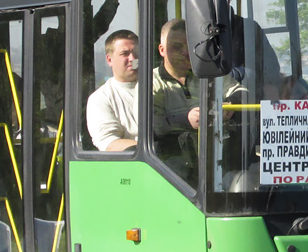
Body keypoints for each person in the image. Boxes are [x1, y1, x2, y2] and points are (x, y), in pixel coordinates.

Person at [152, 19, 242, 177]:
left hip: (218, 160)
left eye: (190, 46)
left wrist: (230, 104)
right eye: (177, 47)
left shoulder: (209, 73)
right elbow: (151, 125)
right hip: (172, 167)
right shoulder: (150, 83)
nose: (185, 53)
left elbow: (242, 91)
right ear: (162, 50)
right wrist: (186, 120)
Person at [86, 29, 139, 151]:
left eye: (136, 52)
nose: (132, 58)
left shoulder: (157, 85)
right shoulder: (100, 99)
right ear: (109, 60)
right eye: (125, 53)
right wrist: (152, 150)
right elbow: (109, 142)